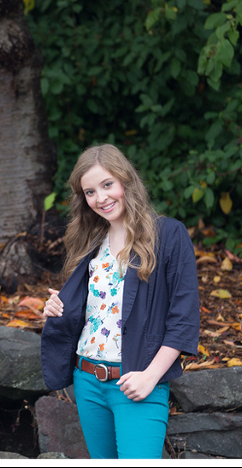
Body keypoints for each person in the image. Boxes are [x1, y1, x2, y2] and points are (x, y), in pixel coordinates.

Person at [40, 143, 200, 459]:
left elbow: (184, 318)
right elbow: (95, 308)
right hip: (87, 381)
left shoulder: (168, 235)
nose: (101, 198)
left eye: (107, 184)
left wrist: (150, 377)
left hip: (137, 381)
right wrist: (58, 307)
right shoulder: (89, 242)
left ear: (126, 180)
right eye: (90, 192)